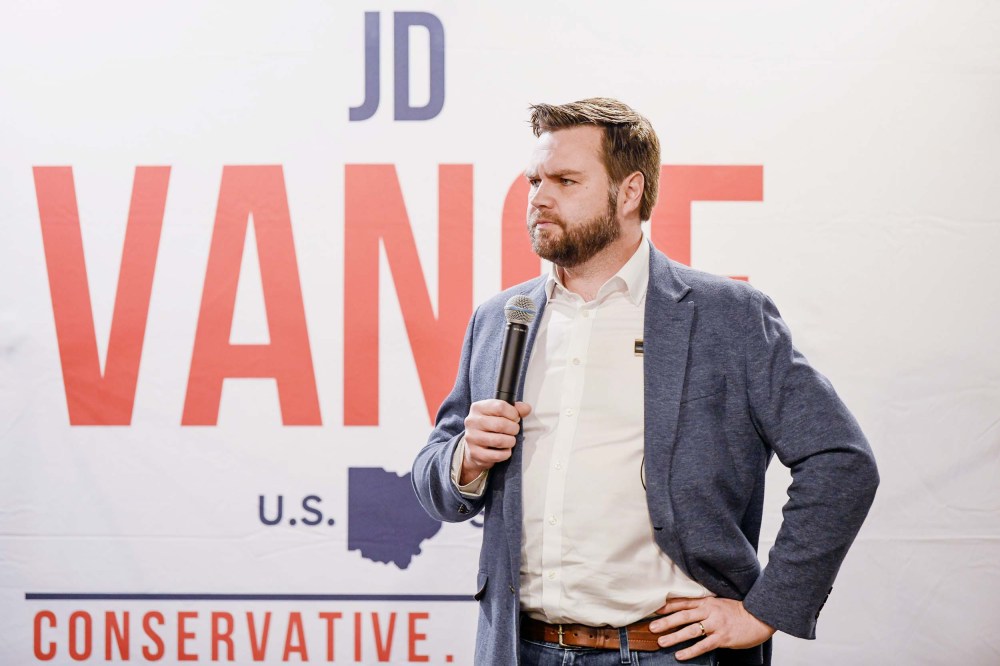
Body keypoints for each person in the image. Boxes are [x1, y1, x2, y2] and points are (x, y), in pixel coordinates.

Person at [412, 98, 878, 665]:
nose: (538, 197)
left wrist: (767, 609)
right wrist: (466, 461)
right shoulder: (501, 318)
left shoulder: (726, 316)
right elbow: (436, 477)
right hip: (519, 648)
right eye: (535, 179)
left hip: (670, 655)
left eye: (565, 179)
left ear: (628, 192)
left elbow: (840, 459)